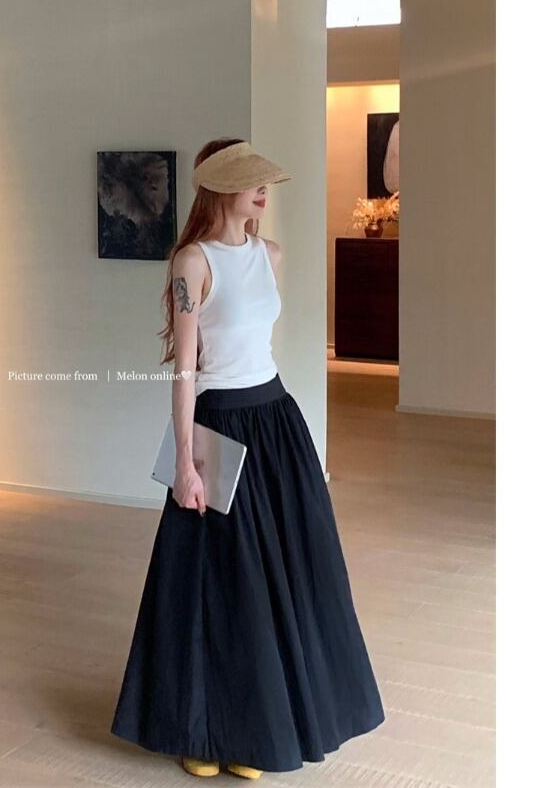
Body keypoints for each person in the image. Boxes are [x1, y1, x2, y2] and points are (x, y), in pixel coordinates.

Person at [110, 138, 385, 779]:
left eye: (265, 181)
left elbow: (259, 344)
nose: (262, 191)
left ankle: (260, 729)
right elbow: (185, 370)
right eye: (249, 180)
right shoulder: (191, 261)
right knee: (218, 583)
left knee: (283, 577)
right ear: (219, 187)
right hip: (220, 425)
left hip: (276, 422)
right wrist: (185, 463)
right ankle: (203, 732)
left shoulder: (271, 255)